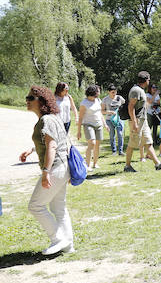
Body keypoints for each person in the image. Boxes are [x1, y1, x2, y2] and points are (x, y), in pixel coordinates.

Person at [19, 86, 74, 255]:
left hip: (55, 168)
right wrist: (32, 150)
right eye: (27, 97)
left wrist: (46, 172)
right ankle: (69, 245)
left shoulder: (46, 120)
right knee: (59, 207)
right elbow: (56, 140)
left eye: (31, 98)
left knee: (35, 206)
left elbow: (52, 145)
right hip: (63, 167)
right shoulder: (52, 118)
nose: (27, 100)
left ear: (42, 102)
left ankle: (58, 239)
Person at [123, 72, 161, 173]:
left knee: (148, 142)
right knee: (132, 143)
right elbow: (130, 107)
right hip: (136, 120)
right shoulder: (135, 90)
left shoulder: (140, 90)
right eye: (149, 80)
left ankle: (157, 164)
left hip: (143, 120)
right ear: (146, 80)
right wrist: (135, 123)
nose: (149, 81)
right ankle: (127, 166)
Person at [76, 85, 104, 170]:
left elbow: (100, 113)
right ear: (94, 92)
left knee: (97, 145)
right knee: (92, 143)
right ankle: (87, 165)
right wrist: (79, 131)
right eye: (98, 91)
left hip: (98, 124)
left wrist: (105, 124)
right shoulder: (84, 103)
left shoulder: (98, 100)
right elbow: (80, 117)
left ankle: (95, 164)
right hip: (88, 124)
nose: (99, 92)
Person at [101, 85, 125, 155]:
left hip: (119, 119)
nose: (114, 94)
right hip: (109, 119)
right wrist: (109, 112)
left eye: (115, 92)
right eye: (112, 92)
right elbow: (102, 111)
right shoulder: (105, 99)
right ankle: (114, 151)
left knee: (120, 134)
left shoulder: (120, 98)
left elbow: (125, 106)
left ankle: (121, 151)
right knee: (112, 135)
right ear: (108, 92)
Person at [146, 84, 161, 148]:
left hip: (156, 113)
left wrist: (154, 101)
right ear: (150, 88)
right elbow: (149, 102)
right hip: (149, 113)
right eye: (153, 87)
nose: (155, 89)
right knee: (148, 128)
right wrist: (155, 95)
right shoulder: (147, 95)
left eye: (156, 87)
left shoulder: (157, 95)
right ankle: (146, 141)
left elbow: (158, 103)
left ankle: (154, 141)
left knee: (155, 127)